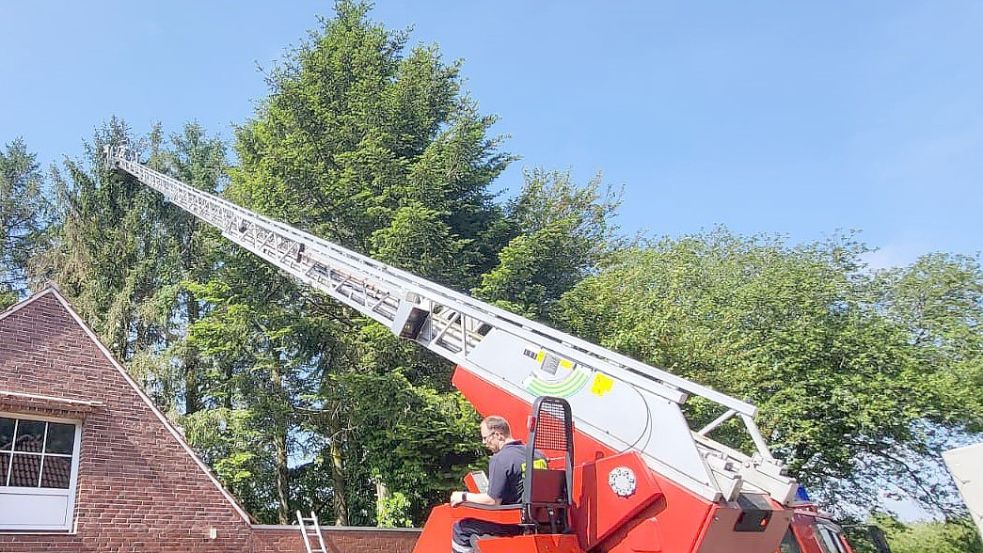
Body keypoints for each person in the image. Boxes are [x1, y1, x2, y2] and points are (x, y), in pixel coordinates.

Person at [448, 415, 546, 553]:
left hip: (514, 523)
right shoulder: (538, 454)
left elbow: (492, 501)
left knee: (461, 528)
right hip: (541, 522)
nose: (483, 442)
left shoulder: (500, 459)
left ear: (497, 434)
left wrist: (463, 496)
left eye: (485, 437)